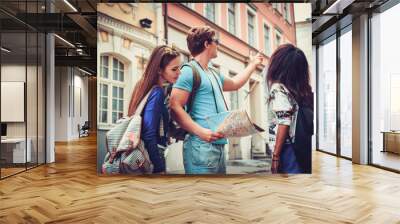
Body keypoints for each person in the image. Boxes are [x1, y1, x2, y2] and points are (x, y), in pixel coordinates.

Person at [169, 26, 264, 174]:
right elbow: (174, 107)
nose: (218, 45)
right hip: (201, 147)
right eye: (216, 41)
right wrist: (200, 132)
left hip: (218, 147)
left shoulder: (213, 73)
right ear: (207, 44)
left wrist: (252, 65)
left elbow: (235, 83)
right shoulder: (188, 71)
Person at [127, 45, 181, 174]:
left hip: (144, 154)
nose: (179, 72)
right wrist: (159, 167)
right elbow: (149, 133)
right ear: (159, 70)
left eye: (179, 67)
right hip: (152, 155)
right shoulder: (157, 92)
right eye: (174, 69)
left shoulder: (142, 86)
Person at [266, 44, 313, 174]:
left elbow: (284, 122)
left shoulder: (278, 88)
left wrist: (275, 156)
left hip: (287, 149)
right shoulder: (302, 90)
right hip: (301, 147)